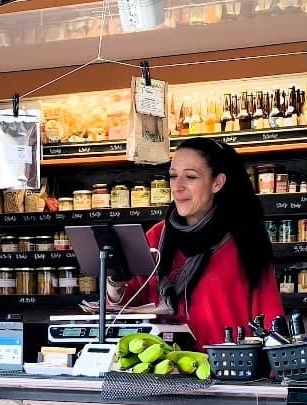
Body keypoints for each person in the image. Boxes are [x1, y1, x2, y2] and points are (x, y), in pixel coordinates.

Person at [107, 137, 285, 343]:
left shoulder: (245, 241)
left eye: (190, 177)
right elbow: (126, 308)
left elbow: (272, 323)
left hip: (227, 369)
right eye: (173, 176)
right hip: (162, 370)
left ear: (217, 182)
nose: (178, 186)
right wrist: (114, 279)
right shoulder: (156, 237)